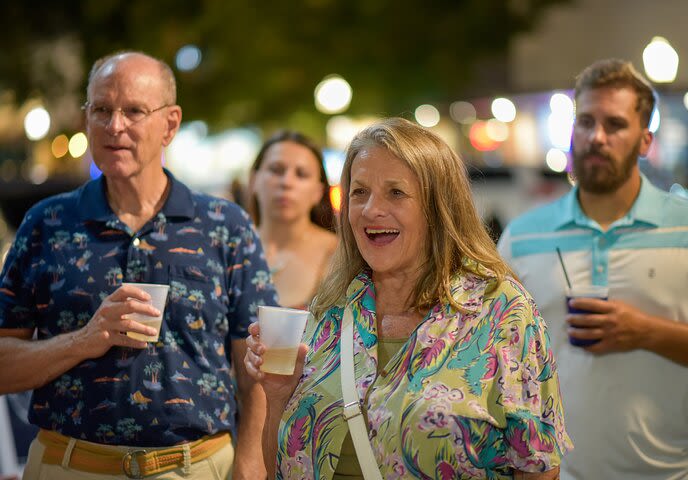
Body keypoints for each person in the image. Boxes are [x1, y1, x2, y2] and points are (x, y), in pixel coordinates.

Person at [0, 51, 277, 479]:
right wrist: (85, 339)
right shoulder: (46, 223)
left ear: (170, 123)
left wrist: (251, 459)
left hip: (197, 467)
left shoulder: (225, 225)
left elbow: (256, 360)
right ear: (85, 118)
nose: (115, 127)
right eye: (102, 110)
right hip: (68, 465)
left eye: (133, 111)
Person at [245, 117, 572, 479]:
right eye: (359, 192)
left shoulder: (502, 312)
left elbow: (537, 468)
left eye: (396, 193)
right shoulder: (331, 309)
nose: (371, 210)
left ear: (437, 207)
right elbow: (284, 466)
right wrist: (277, 398)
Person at [498, 59, 688, 479]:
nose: (596, 137)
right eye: (585, 121)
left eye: (615, 125)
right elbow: (500, 357)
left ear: (644, 140)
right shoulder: (522, 238)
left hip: (678, 473)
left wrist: (646, 331)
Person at [247, 130, 337, 308]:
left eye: (301, 174)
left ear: (318, 192)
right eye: (276, 170)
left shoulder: (340, 255)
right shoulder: (231, 249)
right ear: (253, 180)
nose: (287, 182)